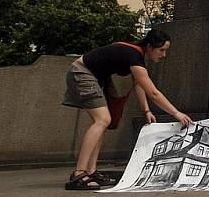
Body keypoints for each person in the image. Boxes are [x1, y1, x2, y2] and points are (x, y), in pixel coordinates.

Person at [61, 29, 193, 190]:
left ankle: (91, 171)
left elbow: (139, 85)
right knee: (102, 120)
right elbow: (153, 92)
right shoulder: (133, 55)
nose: (164, 55)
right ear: (150, 46)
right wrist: (176, 113)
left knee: (103, 122)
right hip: (82, 73)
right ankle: (79, 174)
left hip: (91, 76)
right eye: (162, 50)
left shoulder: (135, 56)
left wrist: (146, 110)